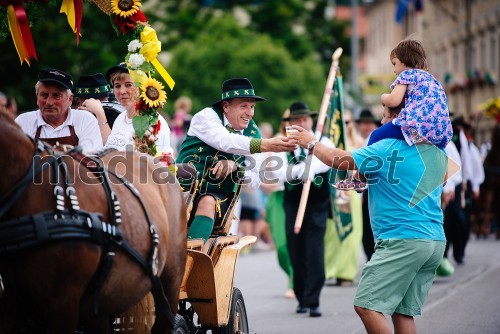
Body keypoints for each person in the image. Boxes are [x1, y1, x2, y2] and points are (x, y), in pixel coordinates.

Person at [289, 118, 447, 334]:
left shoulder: (387, 145)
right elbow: (440, 180)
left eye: (385, 111)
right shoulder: (436, 151)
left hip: (403, 239)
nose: (381, 119)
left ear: (401, 115)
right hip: (434, 240)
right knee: (403, 313)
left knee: (366, 305)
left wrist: (311, 142)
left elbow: (339, 160)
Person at [176, 78, 296, 243]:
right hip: (181, 189)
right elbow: (225, 141)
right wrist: (266, 144)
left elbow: (254, 182)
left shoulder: (254, 134)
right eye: (243, 106)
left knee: (208, 202)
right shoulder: (206, 116)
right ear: (225, 106)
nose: (250, 113)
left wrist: (236, 168)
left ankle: (191, 258)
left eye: (252, 107)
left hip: (217, 198)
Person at [274, 102, 335, 317]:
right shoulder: (284, 145)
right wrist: (302, 170)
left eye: (305, 120)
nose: (301, 123)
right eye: (297, 120)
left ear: (310, 121)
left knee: (314, 252)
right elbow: (281, 174)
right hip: (293, 205)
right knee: (295, 251)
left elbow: (325, 163)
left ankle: (313, 300)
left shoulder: (323, 141)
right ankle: (301, 296)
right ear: (290, 124)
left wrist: (311, 166)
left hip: (317, 205)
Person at [380, 39, 453, 149]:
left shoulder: (407, 75)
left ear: (404, 61)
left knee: (377, 135)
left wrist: (383, 97)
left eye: (394, 64)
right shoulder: (430, 78)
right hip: (441, 132)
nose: (394, 70)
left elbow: (393, 101)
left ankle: (366, 164)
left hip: (417, 128)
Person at [15, 69, 103, 152]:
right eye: (44, 95)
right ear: (37, 98)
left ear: (70, 99)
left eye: (56, 96)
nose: (49, 102)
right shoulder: (23, 122)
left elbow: (89, 161)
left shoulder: (85, 119)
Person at [324, 109, 363, 287]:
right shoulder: (327, 143)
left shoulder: (359, 142)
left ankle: (346, 273)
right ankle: (329, 269)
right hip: (333, 192)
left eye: (347, 122)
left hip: (350, 193)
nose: (344, 125)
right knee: (332, 233)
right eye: (340, 122)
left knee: (350, 233)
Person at [104, 62, 174, 155]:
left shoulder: (154, 122)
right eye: (117, 86)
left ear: (141, 88)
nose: (122, 91)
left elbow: (160, 163)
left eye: (128, 85)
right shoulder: (120, 119)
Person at [262, 110, 295, 299]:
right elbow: (265, 174)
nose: (291, 123)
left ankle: (294, 281)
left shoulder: (303, 142)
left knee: (294, 243)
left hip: (295, 195)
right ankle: (293, 276)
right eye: (288, 120)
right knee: (281, 245)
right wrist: (267, 184)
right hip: (277, 196)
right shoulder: (276, 141)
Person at [354, 108, 379, 261]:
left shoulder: (376, 140)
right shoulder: (359, 143)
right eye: (363, 123)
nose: (367, 126)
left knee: (374, 230)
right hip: (365, 192)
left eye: (369, 123)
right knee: (366, 232)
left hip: (377, 190)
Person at [73, 73, 113, 144]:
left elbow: (113, 149)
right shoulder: (71, 124)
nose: (96, 106)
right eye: (91, 103)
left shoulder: (116, 118)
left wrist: (100, 115)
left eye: (100, 101)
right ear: (78, 103)